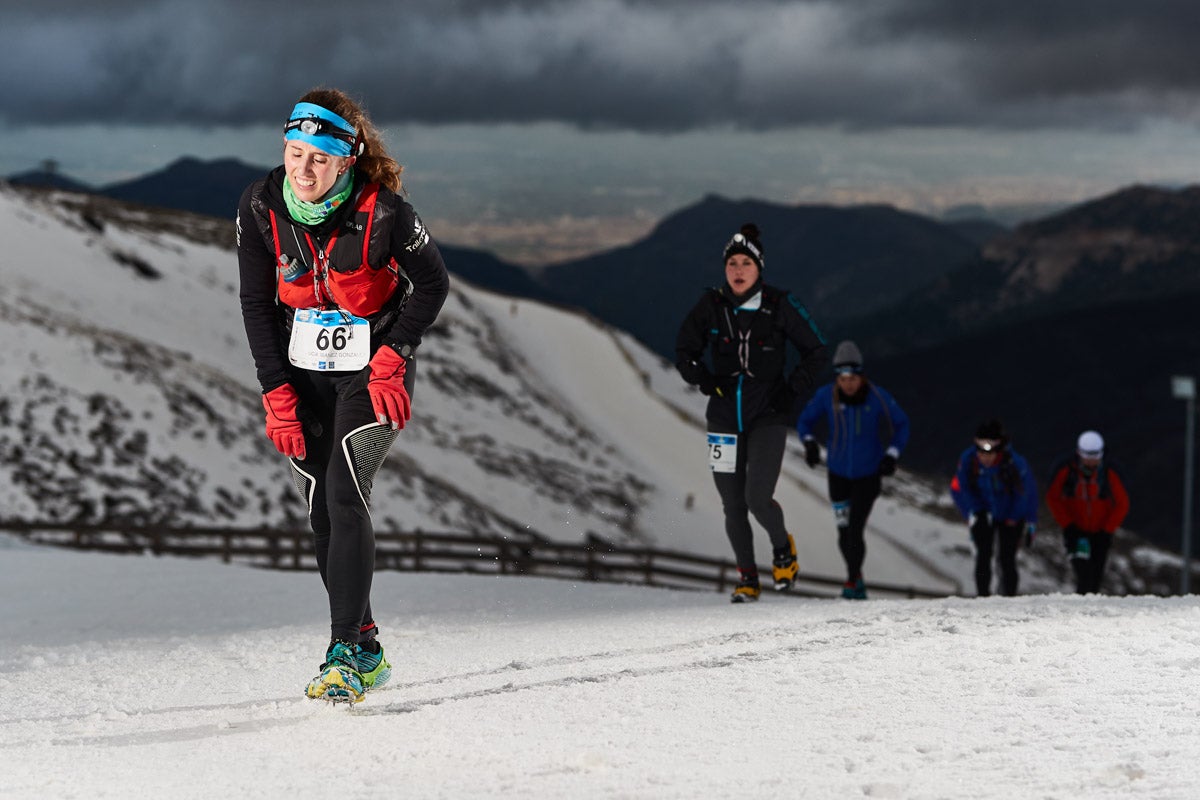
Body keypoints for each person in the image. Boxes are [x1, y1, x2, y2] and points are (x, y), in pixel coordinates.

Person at [237, 88, 449, 702]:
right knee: (321, 511)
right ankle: (367, 641)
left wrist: (394, 355)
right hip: (302, 373)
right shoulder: (259, 207)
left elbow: (431, 285)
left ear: (346, 160)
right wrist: (276, 391)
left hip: (372, 370)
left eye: (319, 159)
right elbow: (256, 304)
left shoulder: (388, 214)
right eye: (294, 152)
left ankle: (343, 656)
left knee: (344, 488)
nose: (303, 170)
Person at [675, 223, 829, 603]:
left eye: (746, 263)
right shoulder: (711, 305)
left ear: (759, 267)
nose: (738, 270)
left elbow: (817, 351)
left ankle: (782, 549)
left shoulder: (780, 305)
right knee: (732, 504)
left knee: (757, 497)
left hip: (768, 415)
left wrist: (791, 390)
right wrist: (705, 380)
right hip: (723, 418)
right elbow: (684, 349)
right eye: (732, 264)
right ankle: (747, 578)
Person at [796, 340, 910, 599]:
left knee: (855, 529)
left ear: (861, 375)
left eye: (853, 377)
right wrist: (810, 443)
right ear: (837, 376)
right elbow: (805, 421)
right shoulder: (827, 396)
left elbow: (902, 424)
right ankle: (856, 579)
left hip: (868, 476)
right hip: (837, 475)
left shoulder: (877, 396)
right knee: (843, 532)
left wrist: (892, 454)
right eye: (842, 377)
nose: (848, 383)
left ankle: (851, 583)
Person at [950, 419, 1039, 597]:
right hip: (983, 512)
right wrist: (974, 512)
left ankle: (1009, 597)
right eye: (980, 450)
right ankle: (983, 596)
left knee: (1007, 559)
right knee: (983, 555)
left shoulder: (1015, 464)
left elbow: (1027, 494)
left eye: (989, 450)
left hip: (1011, 516)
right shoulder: (968, 461)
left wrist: (1027, 522)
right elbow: (961, 489)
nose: (984, 456)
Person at [1045, 430, 1130, 594]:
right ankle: (1081, 610)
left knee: (1096, 576)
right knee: (1084, 574)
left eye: (1096, 456)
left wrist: (1107, 529)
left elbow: (1122, 504)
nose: (1092, 461)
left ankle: (1090, 613)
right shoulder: (1066, 471)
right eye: (1088, 456)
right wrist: (1068, 524)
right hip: (1075, 533)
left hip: (1101, 534)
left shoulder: (1108, 474)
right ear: (1079, 452)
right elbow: (1053, 498)